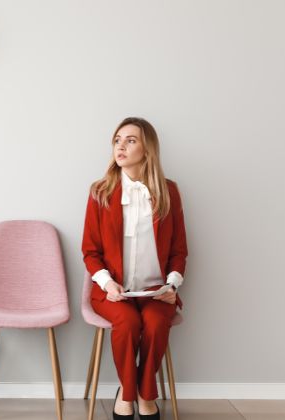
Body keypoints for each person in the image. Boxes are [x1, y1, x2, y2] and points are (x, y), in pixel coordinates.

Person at [81, 117, 188, 420]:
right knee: (127, 325)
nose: (121, 146)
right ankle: (132, 395)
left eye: (130, 140)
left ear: (148, 149)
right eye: (117, 140)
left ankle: (141, 392)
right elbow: (90, 251)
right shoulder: (100, 192)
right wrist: (106, 284)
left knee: (154, 324)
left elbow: (180, 250)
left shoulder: (169, 192)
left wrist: (172, 285)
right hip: (114, 292)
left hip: (157, 293)